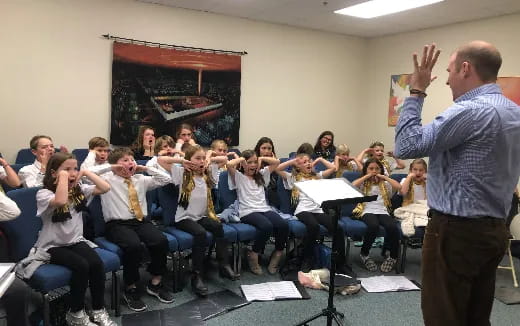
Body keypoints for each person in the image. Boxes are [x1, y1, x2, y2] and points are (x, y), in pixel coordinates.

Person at [394, 41, 520, 326]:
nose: (448, 79)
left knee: (444, 317)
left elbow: (405, 146)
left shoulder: (470, 110)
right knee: (475, 317)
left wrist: (417, 90)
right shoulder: (513, 112)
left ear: (466, 68)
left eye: (450, 71)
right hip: (493, 230)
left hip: (456, 234)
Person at [34, 152, 115, 326]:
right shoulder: (44, 194)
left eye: (74, 168)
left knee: (96, 264)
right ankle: (76, 313)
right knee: (81, 266)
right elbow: (61, 200)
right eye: (67, 169)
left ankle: (98, 309)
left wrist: (85, 173)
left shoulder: (79, 191)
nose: (72, 172)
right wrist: (63, 177)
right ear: (54, 173)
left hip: (75, 241)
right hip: (52, 246)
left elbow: (105, 187)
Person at [158, 145, 238, 298]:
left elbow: (224, 159)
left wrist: (208, 158)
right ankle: (197, 275)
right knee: (200, 234)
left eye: (202, 159)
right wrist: (183, 161)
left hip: (201, 216)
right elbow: (161, 160)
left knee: (218, 227)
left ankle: (223, 264)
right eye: (197, 158)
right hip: (183, 218)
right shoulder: (182, 173)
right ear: (189, 160)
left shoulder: (207, 173)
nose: (201, 161)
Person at [100, 148, 173, 312]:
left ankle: (155, 282)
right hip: (117, 224)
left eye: (132, 159)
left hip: (140, 221)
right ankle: (130, 286)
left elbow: (166, 179)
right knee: (133, 246)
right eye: (125, 160)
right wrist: (111, 167)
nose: (130, 163)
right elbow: (86, 173)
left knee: (160, 241)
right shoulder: (106, 179)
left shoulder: (140, 179)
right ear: (115, 164)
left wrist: (145, 168)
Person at [276, 154, 353, 275]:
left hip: (318, 210)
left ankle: (340, 263)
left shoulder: (317, 176)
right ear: (298, 166)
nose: (308, 164)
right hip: (303, 210)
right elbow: (277, 168)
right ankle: (306, 258)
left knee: (338, 228)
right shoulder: (294, 178)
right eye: (304, 162)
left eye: (309, 161)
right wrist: (293, 161)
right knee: (313, 226)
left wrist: (320, 159)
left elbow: (333, 168)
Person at [227, 150, 288, 275]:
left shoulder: (262, 174)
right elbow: (228, 164)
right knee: (266, 226)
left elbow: (277, 162)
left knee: (283, 225)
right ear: (243, 164)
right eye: (250, 162)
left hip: (264, 208)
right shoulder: (239, 176)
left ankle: (277, 254)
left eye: (255, 162)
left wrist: (260, 158)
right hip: (247, 211)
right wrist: (242, 160)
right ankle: (253, 254)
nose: (253, 165)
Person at [351, 158, 401, 272]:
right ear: (366, 170)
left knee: (392, 227)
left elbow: (399, 187)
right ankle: (364, 253)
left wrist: (384, 177)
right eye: (371, 169)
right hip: (366, 210)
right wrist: (366, 176)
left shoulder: (385, 184)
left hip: (382, 211)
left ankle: (393, 256)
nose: (374, 171)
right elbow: (353, 185)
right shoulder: (363, 183)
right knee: (373, 225)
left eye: (377, 169)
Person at [253, 137, 279, 208]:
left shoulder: (276, 162)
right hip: (258, 194)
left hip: (273, 196)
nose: (267, 151)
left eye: (269, 148)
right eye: (263, 148)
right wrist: (260, 159)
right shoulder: (253, 163)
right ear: (258, 149)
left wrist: (272, 161)